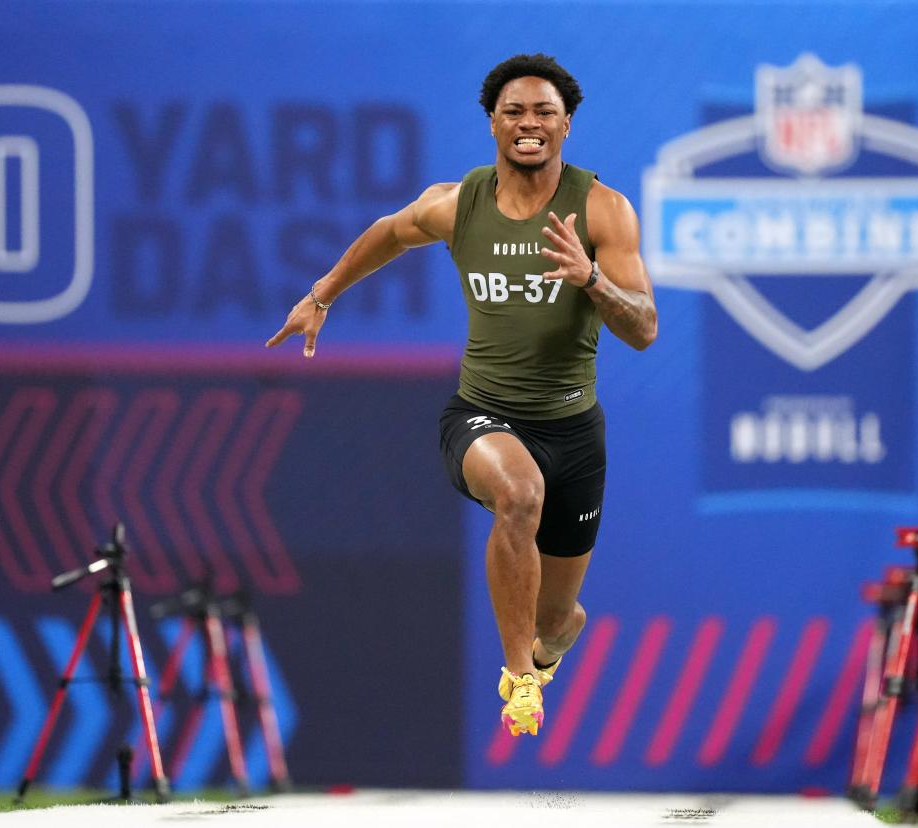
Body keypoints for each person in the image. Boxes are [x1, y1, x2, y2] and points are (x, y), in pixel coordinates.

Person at [266, 53, 657, 737]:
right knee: (518, 493)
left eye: (543, 113)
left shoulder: (603, 210)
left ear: (567, 125)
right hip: (482, 416)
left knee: (561, 618)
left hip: (573, 433)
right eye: (514, 112)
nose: (528, 123)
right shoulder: (458, 203)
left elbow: (645, 329)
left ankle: (545, 646)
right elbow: (389, 233)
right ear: (492, 125)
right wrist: (320, 294)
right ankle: (520, 678)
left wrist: (590, 278)